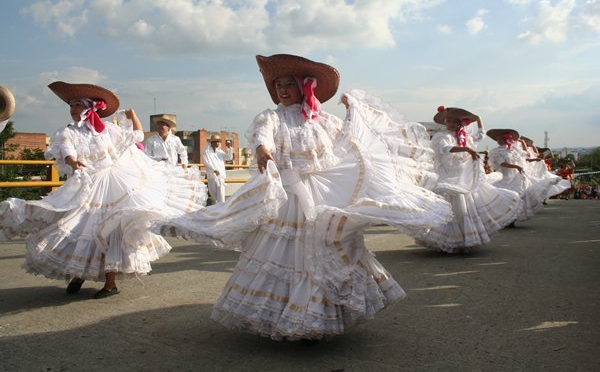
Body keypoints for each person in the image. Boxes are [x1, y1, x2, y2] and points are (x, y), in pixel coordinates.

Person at [157, 54, 452, 341]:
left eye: (289, 84)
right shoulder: (272, 117)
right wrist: (262, 150)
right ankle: (288, 316)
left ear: (303, 86)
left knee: (327, 245)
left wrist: (353, 111)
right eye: (278, 85)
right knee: (286, 254)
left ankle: (318, 316)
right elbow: (263, 135)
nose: (282, 90)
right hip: (288, 197)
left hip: (322, 191)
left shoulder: (323, 120)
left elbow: (350, 141)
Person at [0, 81, 206, 298]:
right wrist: (72, 161)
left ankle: (110, 284)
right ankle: (79, 273)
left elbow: (137, 135)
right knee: (81, 228)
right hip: (87, 185)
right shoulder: (68, 132)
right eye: (71, 105)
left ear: (90, 108)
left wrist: (133, 116)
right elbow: (66, 149)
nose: (73, 109)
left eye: (77, 105)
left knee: (110, 232)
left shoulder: (108, 130)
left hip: (114, 184)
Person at [412, 107, 521, 253]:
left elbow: (480, 135)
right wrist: (467, 150)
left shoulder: (465, 137)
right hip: (447, 176)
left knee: (465, 207)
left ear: (461, 123)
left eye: (454, 121)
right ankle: (448, 240)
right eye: (448, 121)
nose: (451, 124)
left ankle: (463, 240)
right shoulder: (441, 136)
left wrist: (478, 119)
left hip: (464, 177)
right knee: (451, 206)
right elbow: (446, 148)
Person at [487, 129, 555, 223]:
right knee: (505, 198)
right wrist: (516, 166)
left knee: (518, 197)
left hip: (516, 177)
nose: (499, 140)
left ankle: (512, 218)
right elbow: (502, 163)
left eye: (501, 138)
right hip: (504, 177)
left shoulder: (513, 150)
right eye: (498, 139)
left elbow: (525, 157)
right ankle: (505, 218)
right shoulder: (495, 151)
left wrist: (534, 158)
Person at [202, 134, 227, 204]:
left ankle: (221, 209)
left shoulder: (220, 151)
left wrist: (229, 148)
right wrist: (214, 169)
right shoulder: (206, 151)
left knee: (221, 197)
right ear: (212, 142)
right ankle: (217, 209)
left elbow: (228, 157)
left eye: (219, 141)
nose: (218, 143)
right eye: (216, 141)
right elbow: (205, 162)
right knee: (213, 196)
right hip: (211, 176)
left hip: (220, 176)